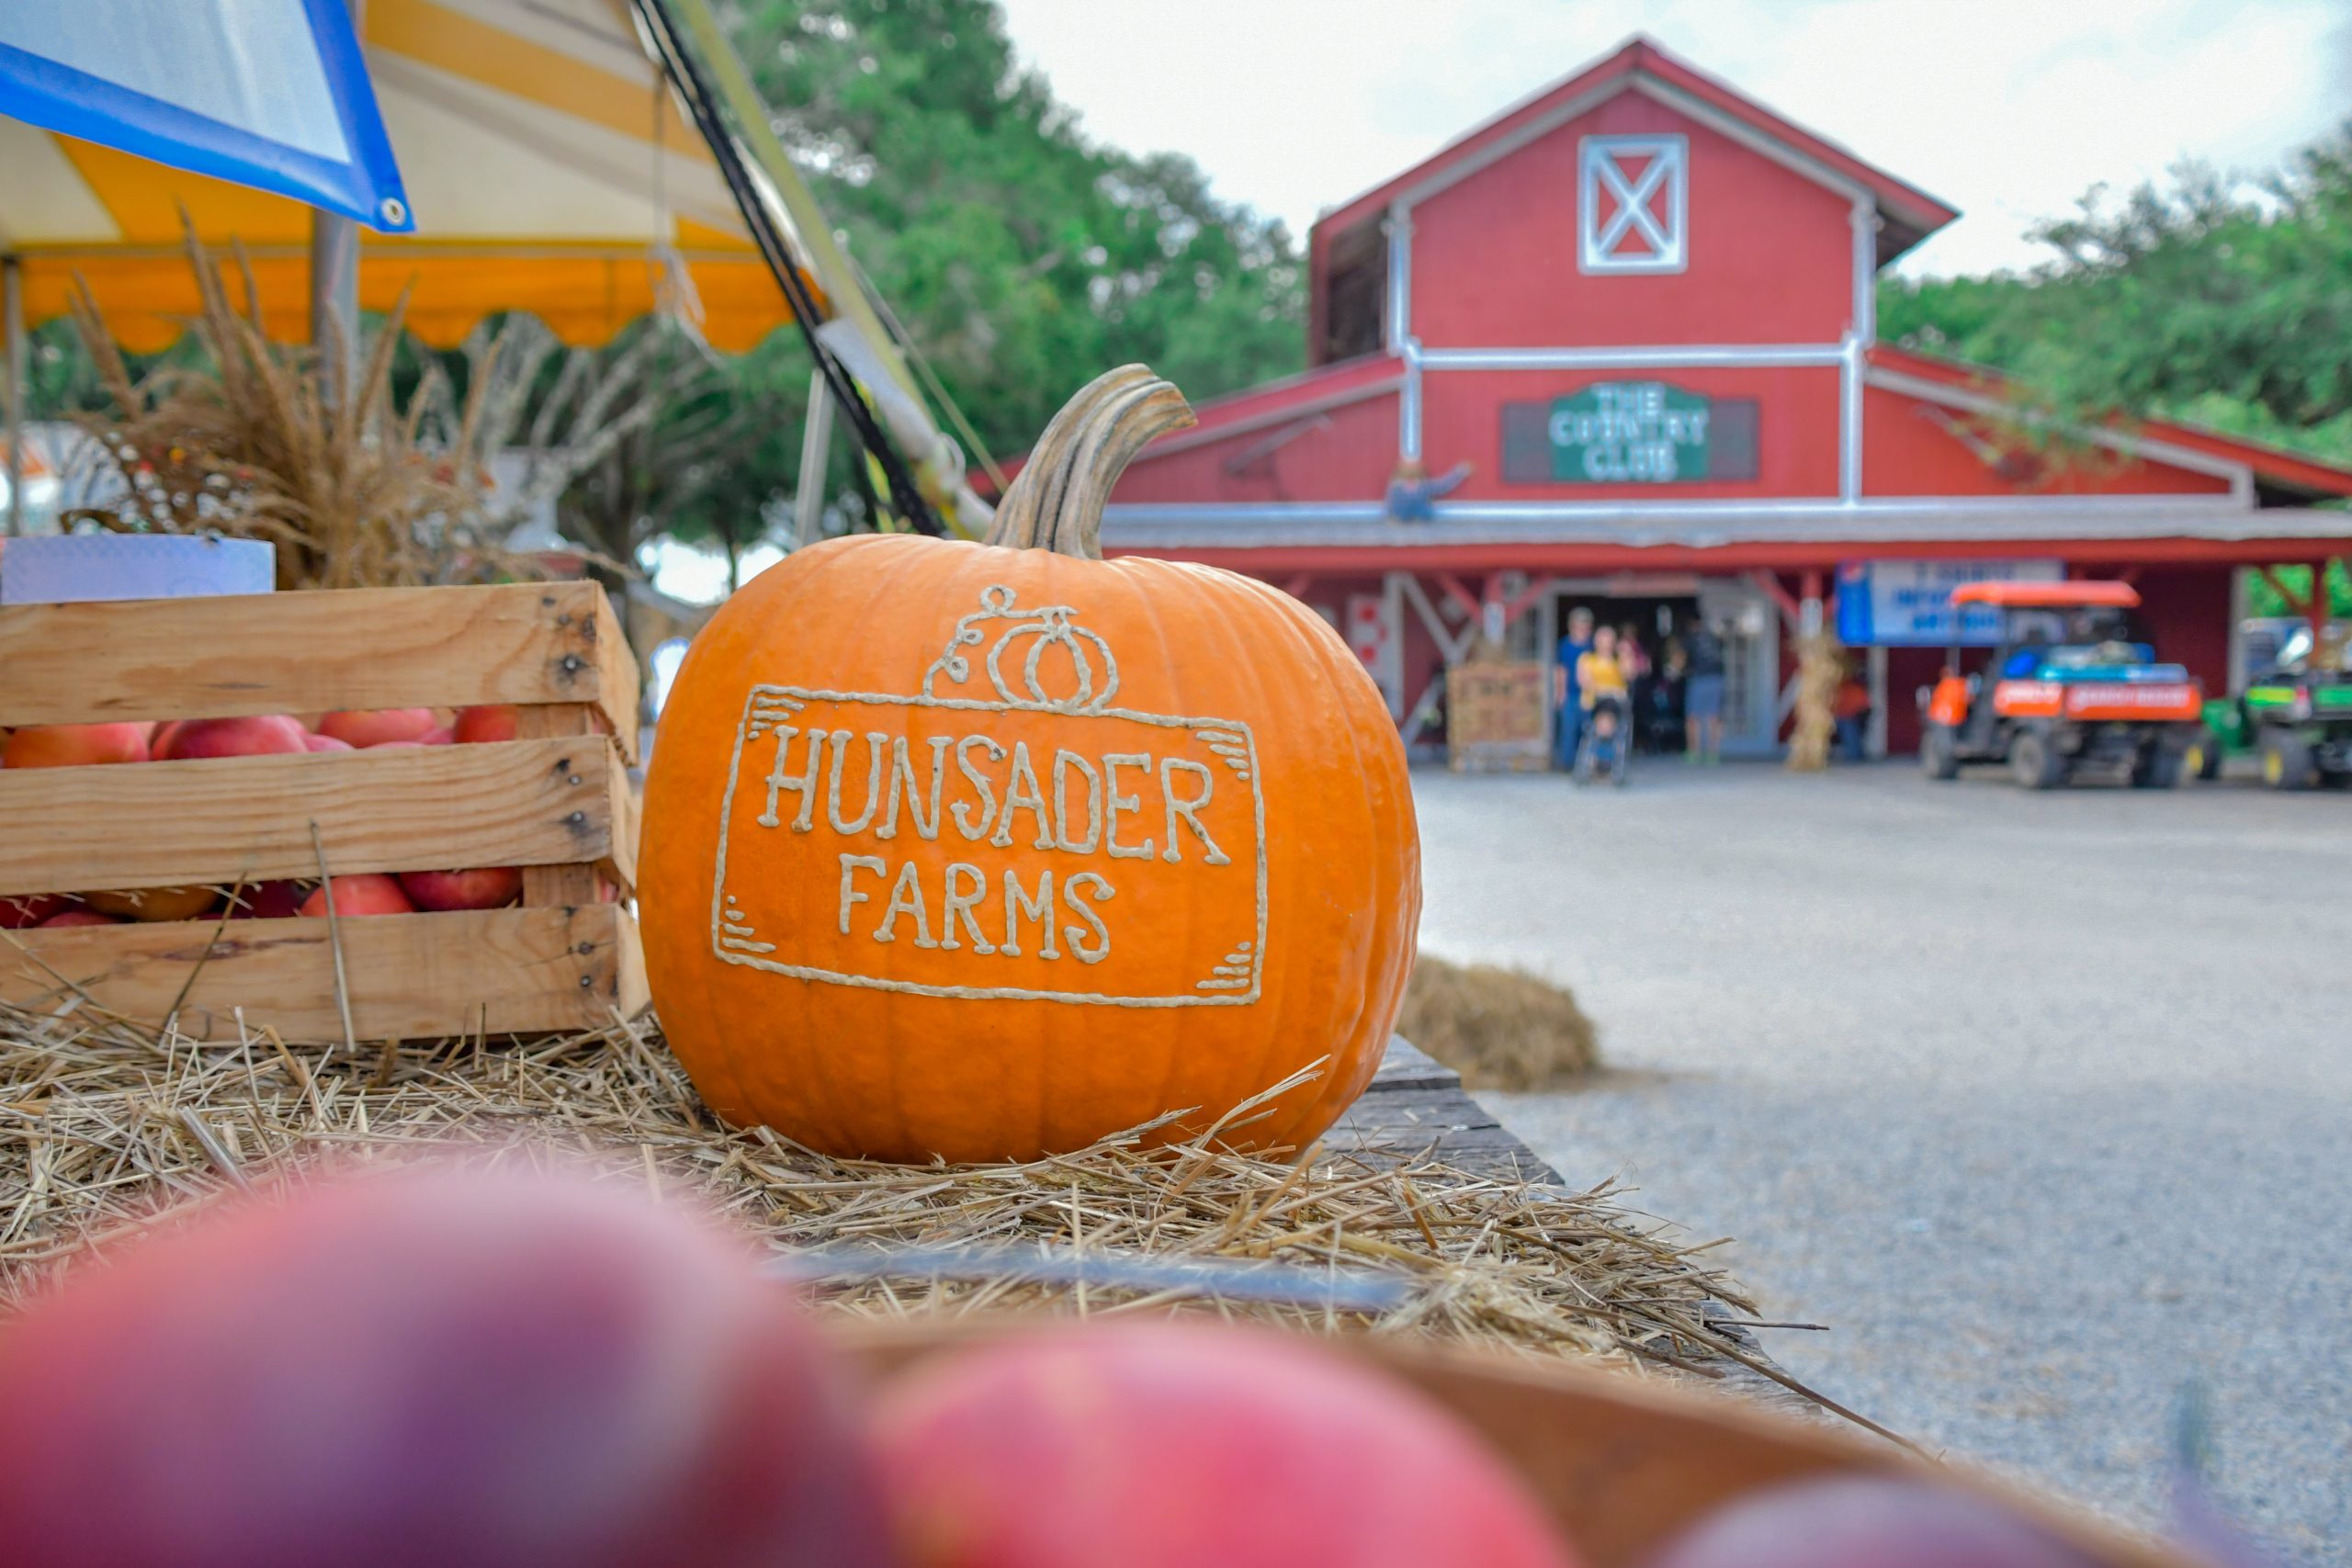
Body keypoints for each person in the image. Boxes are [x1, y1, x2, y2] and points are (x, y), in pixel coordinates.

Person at [1553, 606, 1595, 771]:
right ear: (1572, 626)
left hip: (1589, 694)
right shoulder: (1564, 645)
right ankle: (1567, 763)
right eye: (1579, 625)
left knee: (1587, 728)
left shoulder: (1593, 646)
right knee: (1568, 729)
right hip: (1570, 693)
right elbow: (1560, 670)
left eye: (1585, 625)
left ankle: (1587, 761)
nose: (1582, 629)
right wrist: (1559, 693)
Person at [1682, 615, 1727, 764]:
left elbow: (1680, 659)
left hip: (1698, 679)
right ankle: (1713, 754)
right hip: (1716, 678)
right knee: (1713, 717)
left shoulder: (1691, 638)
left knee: (1692, 718)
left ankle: (1693, 753)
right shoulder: (1715, 636)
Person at [1833, 660, 1871, 761]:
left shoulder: (1853, 689)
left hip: (1847, 716)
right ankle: (1854, 756)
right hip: (1847, 716)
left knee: (1851, 736)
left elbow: (1864, 704)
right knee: (1852, 736)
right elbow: (1865, 704)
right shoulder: (1853, 689)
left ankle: (1854, 756)